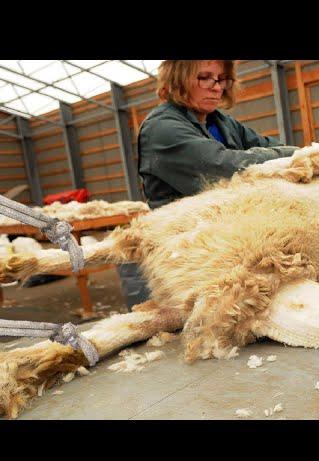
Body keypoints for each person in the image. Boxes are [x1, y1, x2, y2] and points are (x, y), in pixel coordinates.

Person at [117, 60, 299, 309]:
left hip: (224, 236)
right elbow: (225, 168)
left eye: (221, 79)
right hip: (186, 248)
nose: (216, 87)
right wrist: (301, 156)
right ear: (179, 80)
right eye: (205, 78)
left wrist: (301, 153)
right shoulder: (163, 129)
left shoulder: (221, 122)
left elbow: (266, 145)